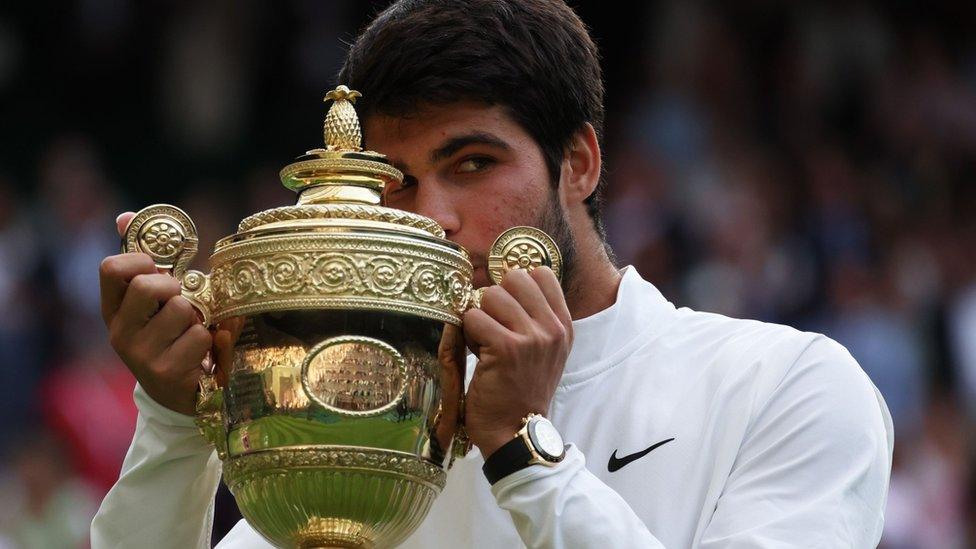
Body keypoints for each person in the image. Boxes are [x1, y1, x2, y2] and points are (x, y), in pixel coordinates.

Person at [92, 0, 893, 547]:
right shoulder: (364, 409)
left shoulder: (787, 385)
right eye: (395, 182)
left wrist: (521, 451)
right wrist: (173, 421)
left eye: (471, 163)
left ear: (578, 164)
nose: (430, 216)